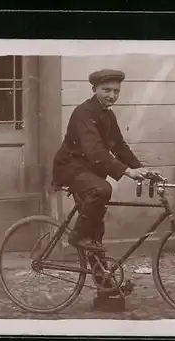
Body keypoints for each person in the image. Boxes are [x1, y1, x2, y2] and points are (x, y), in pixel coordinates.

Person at [52, 69, 152, 252]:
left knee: (96, 229)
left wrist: (142, 170)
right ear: (94, 89)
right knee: (102, 189)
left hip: (88, 171)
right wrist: (127, 171)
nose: (112, 95)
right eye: (107, 90)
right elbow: (94, 150)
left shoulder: (108, 114)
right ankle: (77, 237)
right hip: (70, 167)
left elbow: (119, 146)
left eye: (116, 91)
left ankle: (103, 279)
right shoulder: (83, 113)